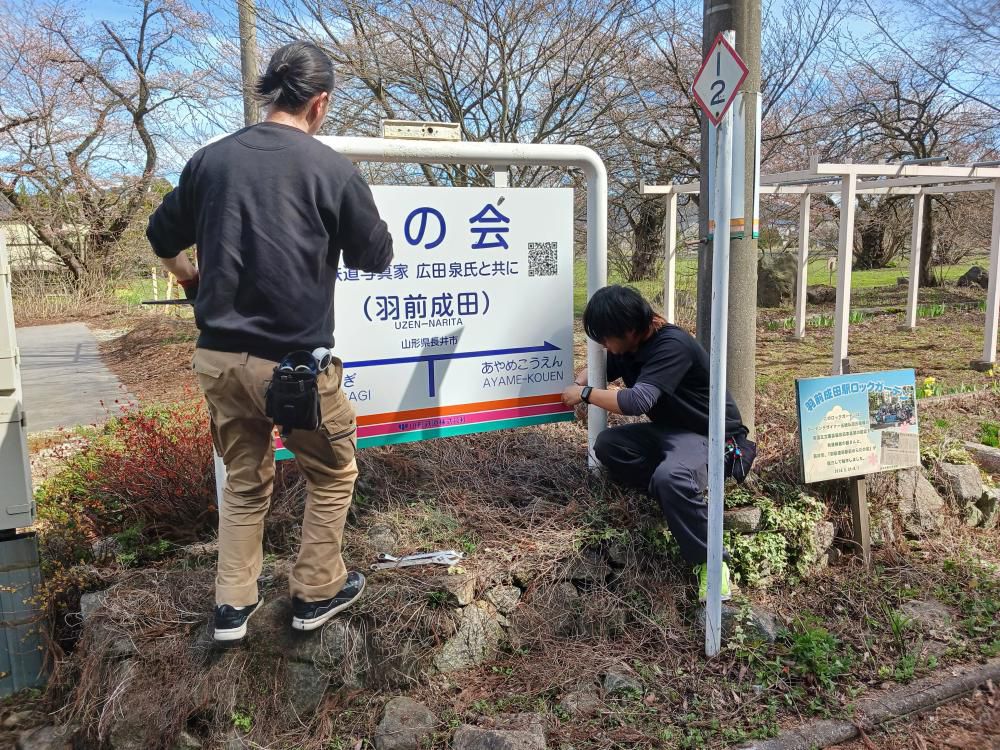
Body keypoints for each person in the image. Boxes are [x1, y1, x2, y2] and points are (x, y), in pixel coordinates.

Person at [146, 41, 393, 642]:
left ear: (269, 94)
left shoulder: (209, 162)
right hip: (295, 367)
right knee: (331, 473)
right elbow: (376, 255)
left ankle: (232, 604)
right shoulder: (331, 168)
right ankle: (316, 591)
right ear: (320, 102)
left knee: (245, 478)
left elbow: (160, 235)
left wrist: (190, 280)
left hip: (220, 359)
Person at [562, 285, 755, 601]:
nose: (604, 345)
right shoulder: (628, 348)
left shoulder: (671, 345)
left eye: (606, 337)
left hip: (715, 438)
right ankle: (674, 489)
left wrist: (583, 395)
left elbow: (638, 401)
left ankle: (712, 564)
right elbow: (600, 369)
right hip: (672, 433)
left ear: (628, 329)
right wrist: (579, 381)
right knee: (609, 445)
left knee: (671, 477)